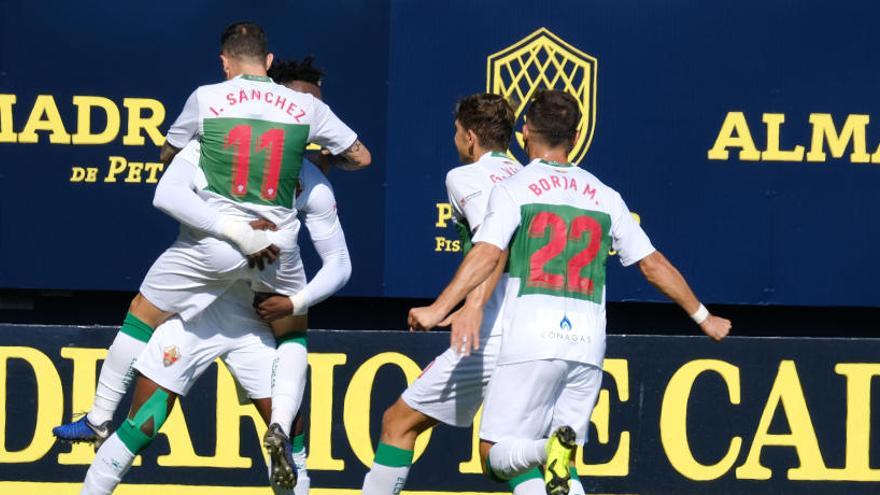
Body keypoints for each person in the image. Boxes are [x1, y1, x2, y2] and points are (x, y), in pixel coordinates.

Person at [54, 22, 370, 482]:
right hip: (261, 270)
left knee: (140, 329)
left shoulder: (205, 125)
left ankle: (99, 416)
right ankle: (280, 427)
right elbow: (359, 167)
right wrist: (295, 299)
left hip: (216, 288)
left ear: (226, 63)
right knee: (294, 342)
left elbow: (166, 182)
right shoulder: (309, 159)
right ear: (268, 66)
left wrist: (234, 227)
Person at [409, 90, 732, 495]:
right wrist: (705, 317)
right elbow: (653, 265)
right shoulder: (605, 195)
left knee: (495, 456)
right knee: (564, 468)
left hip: (530, 342)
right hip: (587, 349)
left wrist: (439, 308)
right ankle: (551, 451)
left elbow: (488, 253)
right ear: (576, 137)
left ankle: (545, 449)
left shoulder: (514, 188)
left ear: (525, 132)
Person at [80, 141, 351, 494]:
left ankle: (99, 418)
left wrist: (292, 298)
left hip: (248, 320)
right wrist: (239, 230)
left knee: (288, 434)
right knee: (143, 422)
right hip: (198, 314)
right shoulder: (211, 147)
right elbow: (174, 193)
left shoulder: (305, 176)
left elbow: (338, 258)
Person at [362, 93, 546, 494]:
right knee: (501, 451)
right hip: (537, 332)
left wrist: (469, 307)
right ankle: (551, 458)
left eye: (458, 132)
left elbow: (494, 245)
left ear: (472, 138)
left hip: (492, 332)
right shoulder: (527, 175)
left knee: (398, 422)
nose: (456, 139)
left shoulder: (466, 177)